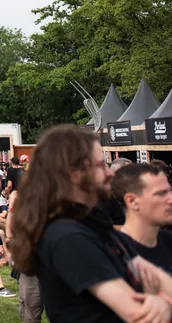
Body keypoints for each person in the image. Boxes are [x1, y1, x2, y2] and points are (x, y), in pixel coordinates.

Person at [11, 124, 172, 323]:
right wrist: (162, 302)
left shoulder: (94, 221)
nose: (110, 173)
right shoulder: (67, 237)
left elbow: (151, 275)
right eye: (101, 165)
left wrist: (162, 299)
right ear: (75, 174)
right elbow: (138, 314)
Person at [111, 162, 172, 274]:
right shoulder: (113, 254)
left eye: (170, 191)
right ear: (132, 201)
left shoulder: (168, 241)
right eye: (161, 194)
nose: (170, 200)